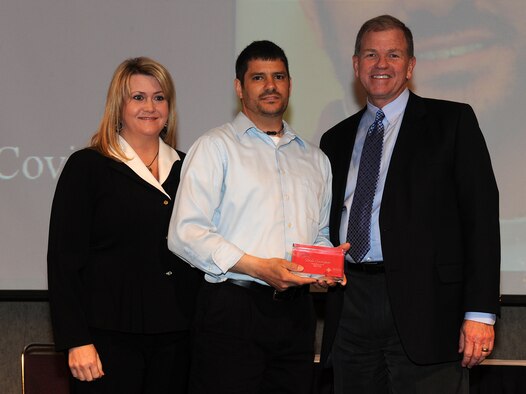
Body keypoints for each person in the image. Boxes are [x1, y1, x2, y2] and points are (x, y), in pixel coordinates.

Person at [318, 15, 500, 394]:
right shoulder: (334, 139)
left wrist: (480, 313)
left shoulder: (452, 122)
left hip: (429, 309)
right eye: (371, 54)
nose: (381, 64)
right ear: (356, 65)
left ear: (411, 65)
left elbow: (480, 220)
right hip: (351, 304)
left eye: (393, 54)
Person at [168, 40, 343, 394]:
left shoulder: (315, 159)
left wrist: (326, 268)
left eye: (279, 76)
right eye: (259, 77)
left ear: (290, 84)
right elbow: (185, 233)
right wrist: (257, 266)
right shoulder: (214, 148)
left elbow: (319, 233)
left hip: (297, 315)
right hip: (232, 309)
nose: (270, 86)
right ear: (239, 87)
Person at [47, 57, 201, 393]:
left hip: (177, 341)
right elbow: (63, 262)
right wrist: (76, 340)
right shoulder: (87, 166)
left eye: (159, 97)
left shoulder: (190, 167)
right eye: (138, 97)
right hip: (106, 341)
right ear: (119, 106)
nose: (150, 106)